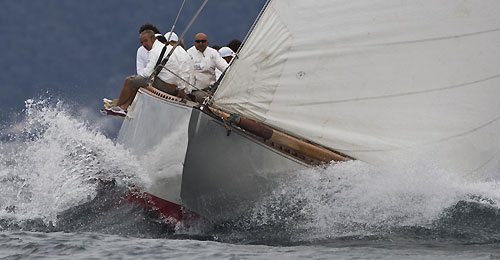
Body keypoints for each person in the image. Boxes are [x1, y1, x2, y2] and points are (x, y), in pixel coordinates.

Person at [112, 30, 191, 113]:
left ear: (153, 39)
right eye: (142, 42)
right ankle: (125, 107)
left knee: (129, 80)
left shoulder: (155, 51)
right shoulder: (171, 49)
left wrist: (136, 76)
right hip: (174, 86)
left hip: (165, 86)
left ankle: (116, 106)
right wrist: (183, 87)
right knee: (138, 81)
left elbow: (147, 74)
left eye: (146, 41)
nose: (144, 45)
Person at [187, 33, 228, 101]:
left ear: (207, 42)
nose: (200, 43)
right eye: (198, 41)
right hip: (194, 91)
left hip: (210, 90)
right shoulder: (189, 53)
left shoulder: (213, 53)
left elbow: (225, 68)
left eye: (203, 41)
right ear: (194, 43)